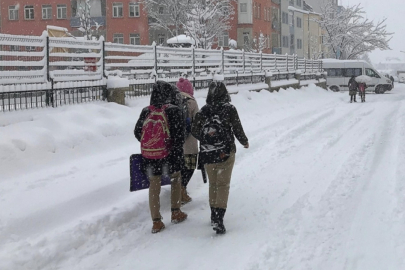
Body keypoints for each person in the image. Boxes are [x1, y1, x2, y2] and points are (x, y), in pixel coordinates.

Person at [192, 81, 249, 234]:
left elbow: (194, 130)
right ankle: (219, 217)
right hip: (226, 152)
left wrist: (207, 138)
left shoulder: (204, 110)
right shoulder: (229, 109)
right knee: (223, 185)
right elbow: (237, 127)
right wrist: (244, 141)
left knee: (213, 184)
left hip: (208, 153)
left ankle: (213, 214)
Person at [134, 81, 187, 234]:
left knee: (154, 185)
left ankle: (156, 222)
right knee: (176, 179)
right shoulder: (173, 110)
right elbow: (179, 136)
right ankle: (176, 212)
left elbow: (137, 132)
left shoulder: (146, 111)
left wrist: (151, 143)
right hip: (170, 155)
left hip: (150, 156)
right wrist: (170, 148)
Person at [176, 78, 199, 204]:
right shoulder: (192, 102)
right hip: (189, 142)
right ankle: (182, 189)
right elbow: (198, 121)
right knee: (189, 167)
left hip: (175, 142)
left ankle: (177, 190)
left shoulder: (171, 100)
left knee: (178, 168)